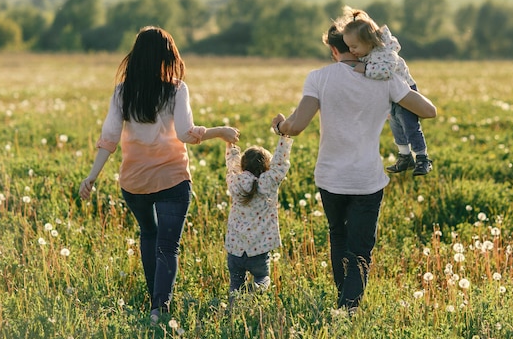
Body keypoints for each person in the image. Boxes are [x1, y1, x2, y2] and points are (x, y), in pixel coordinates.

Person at [78, 26, 240, 324]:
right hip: (173, 179)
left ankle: (155, 301)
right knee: (168, 245)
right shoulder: (176, 88)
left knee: (148, 234)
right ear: (168, 56)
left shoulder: (123, 91)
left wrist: (92, 176)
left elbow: (109, 138)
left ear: (136, 56)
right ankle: (159, 307)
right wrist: (221, 132)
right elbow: (185, 134)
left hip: (134, 181)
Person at [271, 23, 436, 313]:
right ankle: (349, 308)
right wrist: (398, 79)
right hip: (367, 179)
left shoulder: (319, 78)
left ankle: (343, 304)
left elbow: (295, 126)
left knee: (338, 237)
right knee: (360, 249)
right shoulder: (385, 78)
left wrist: (279, 125)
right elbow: (429, 110)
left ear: (335, 50)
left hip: (330, 176)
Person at [338, 6, 433, 176]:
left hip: (406, 90)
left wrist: (364, 69)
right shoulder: (368, 52)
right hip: (391, 95)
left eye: (354, 46)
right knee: (396, 124)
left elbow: (385, 72)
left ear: (368, 42)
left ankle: (422, 158)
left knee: (409, 125)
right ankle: (405, 156)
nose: (352, 51)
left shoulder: (385, 53)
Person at [224, 134, 293, 303]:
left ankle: (234, 310)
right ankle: (254, 290)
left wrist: (231, 146)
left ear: (242, 165)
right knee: (263, 278)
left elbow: (232, 167)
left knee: (235, 284)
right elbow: (279, 167)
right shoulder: (268, 183)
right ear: (266, 167)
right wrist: (284, 138)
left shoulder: (235, 181)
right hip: (259, 250)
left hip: (235, 249)